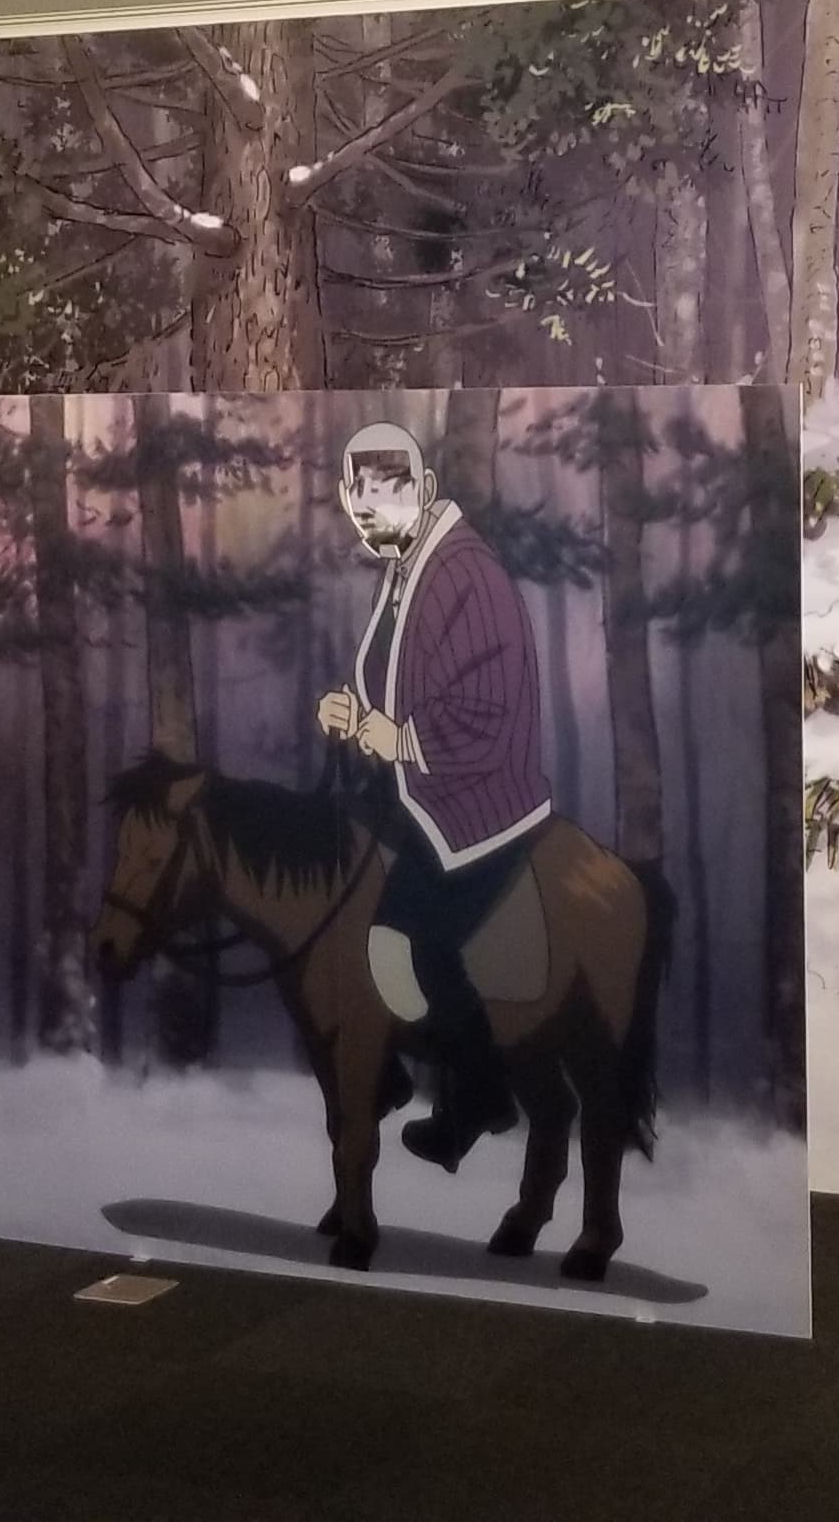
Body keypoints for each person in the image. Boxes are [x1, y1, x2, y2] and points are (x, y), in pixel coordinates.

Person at [313, 423, 551, 1171]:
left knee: (410, 942)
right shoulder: (406, 564)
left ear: (420, 490)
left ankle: (479, 1092)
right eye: (361, 512)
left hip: (477, 803)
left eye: (383, 509)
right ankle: (382, 1073)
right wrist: (354, 713)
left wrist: (398, 738)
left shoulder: (466, 572)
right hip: (414, 789)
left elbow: (487, 712)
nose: (371, 526)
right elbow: (397, 682)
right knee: (329, 883)